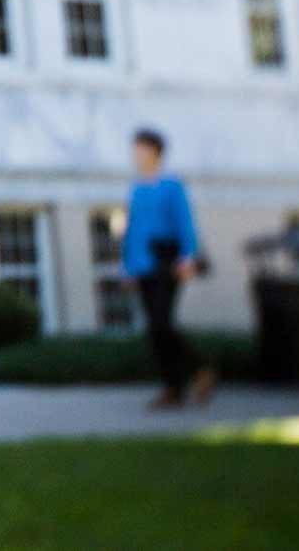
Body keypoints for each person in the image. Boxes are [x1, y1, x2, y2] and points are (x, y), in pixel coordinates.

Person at [124, 126, 216, 410]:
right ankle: (173, 389)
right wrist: (127, 268)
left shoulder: (172, 187)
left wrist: (188, 257)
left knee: (162, 323)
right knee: (154, 330)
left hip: (167, 263)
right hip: (142, 267)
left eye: (141, 149)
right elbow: (132, 231)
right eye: (135, 149)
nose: (136, 155)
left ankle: (200, 369)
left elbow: (185, 222)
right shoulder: (137, 190)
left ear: (155, 151)